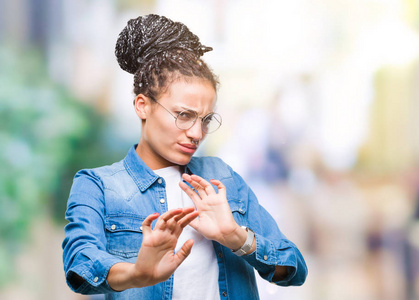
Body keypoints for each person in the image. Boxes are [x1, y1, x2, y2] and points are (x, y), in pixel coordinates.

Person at [62, 14, 308, 300]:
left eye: (205, 120)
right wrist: (137, 274)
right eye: (184, 116)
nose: (197, 133)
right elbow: (79, 265)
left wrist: (237, 238)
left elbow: (293, 268)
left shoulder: (221, 177)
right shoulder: (98, 185)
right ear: (142, 105)